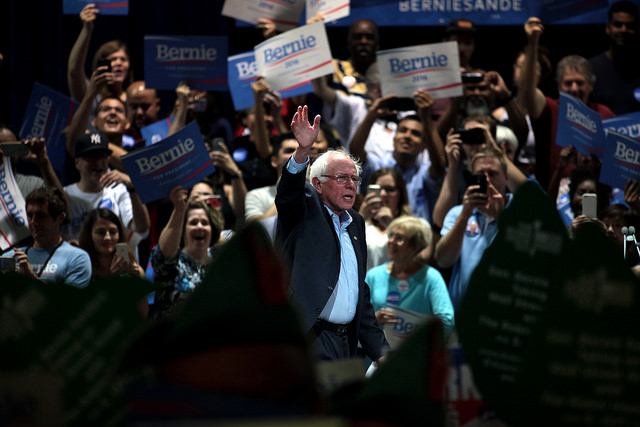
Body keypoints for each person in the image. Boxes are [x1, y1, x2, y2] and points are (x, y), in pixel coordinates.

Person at [275, 105, 388, 362]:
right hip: (308, 339)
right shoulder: (304, 209)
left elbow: (360, 293)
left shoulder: (356, 222)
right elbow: (287, 194)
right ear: (317, 184)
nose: (350, 184)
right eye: (341, 178)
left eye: (354, 179)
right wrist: (303, 151)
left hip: (345, 344)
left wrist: (383, 355)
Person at [519, 17, 615, 189]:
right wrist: (533, 43)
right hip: (554, 198)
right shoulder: (551, 108)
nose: (574, 88)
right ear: (558, 86)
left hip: (592, 194)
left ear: (591, 85)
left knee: (589, 215)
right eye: (568, 83)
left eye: (579, 82)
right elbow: (527, 92)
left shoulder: (604, 114)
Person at [435, 147, 527, 309]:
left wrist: (501, 219)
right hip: (462, 316)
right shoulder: (458, 214)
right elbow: (443, 260)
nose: (487, 180)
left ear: (506, 177)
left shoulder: (522, 213)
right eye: (480, 175)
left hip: (504, 314)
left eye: (492, 174)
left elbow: (525, 262)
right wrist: (465, 215)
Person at [351, 90, 446, 224]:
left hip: (417, 240)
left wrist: (426, 118)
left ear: (424, 145)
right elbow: (355, 153)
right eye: (403, 130)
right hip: (375, 237)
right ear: (394, 138)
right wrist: (372, 115)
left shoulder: (423, 173)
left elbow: (440, 164)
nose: (407, 136)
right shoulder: (378, 166)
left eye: (416, 134)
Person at [366, 216, 454, 338]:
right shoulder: (374, 276)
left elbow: (447, 321)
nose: (391, 241)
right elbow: (357, 318)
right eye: (390, 235)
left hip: (414, 354)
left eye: (399, 238)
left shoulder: (431, 278)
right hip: (377, 355)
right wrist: (374, 320)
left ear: (415, 247)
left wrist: (417, 339)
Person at [62, 132, 150, 246]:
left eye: (102, 156)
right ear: (77, 163)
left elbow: (141, 228)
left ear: (108, 160)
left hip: (115, 261)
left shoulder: (120, 190)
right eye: (91, 156)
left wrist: (132, 188)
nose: (98, 162)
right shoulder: (65, 194)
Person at [150, 185, 224, 318]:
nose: (199, 226)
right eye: (193, 222)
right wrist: (180, 208)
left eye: (204, 223)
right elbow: (164, 252)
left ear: (212, 230)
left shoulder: (219, 268)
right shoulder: (173, 263)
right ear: (183, 230)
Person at [9, 187, 91, 287]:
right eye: (30, 216)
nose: (33, 222)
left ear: (60, 218)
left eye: (41, 216)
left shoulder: (77, 258)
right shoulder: (11, 257)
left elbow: (69, 301)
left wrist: (32, 278)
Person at [67, 3, 133, 103]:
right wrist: (87, 30)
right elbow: (74, 72)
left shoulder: (134, 99)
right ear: (101, 64)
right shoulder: (93, 97)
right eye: (113, 59)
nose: (119, 63)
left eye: (123, 59)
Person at [589, 1, 640, 114]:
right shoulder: (591, 69)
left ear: (638, 30)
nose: (623, 30)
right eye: (618, 25)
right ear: (608, 28)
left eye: (629, 26)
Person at [358, 167, 412, 270]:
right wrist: (360, 218)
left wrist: (392, 225)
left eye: (389, 189)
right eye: (377, 189)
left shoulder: (412, 225)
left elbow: (421, 257)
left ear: (400, 194)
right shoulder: (361, 223)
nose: (383, 194)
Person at [78, 208, 145, 279]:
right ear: (89, 235)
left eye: (112, 232)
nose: (108, 237)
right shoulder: (80, 268)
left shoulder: (131, 268)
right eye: (101, 232)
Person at [330, 19, 379, 98]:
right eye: (357, 37)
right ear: (348, 43)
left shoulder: (387, 76)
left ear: (377, 44)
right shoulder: (334, 68)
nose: (363, 41)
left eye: (369, 37)